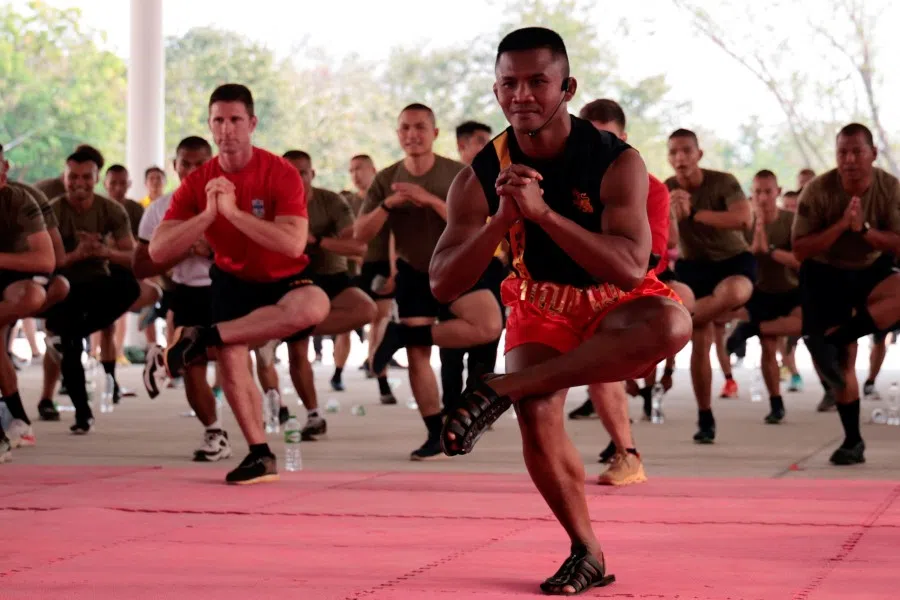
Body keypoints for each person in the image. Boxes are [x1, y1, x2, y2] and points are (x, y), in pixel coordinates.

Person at [429, 28, 691, 594]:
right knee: (539, 411)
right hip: (539, 299)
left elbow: (627, 267)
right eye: (509, 84)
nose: (521, 94)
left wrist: (544, 216)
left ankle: (503, 386)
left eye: (537, 82)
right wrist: (503, 219)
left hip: (615, 300)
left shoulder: (617, 161)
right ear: (497, 91)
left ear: (567, 87)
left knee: (674, 322)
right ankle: (586, 551)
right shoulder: (479, 173)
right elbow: (443, 281)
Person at [146, 84, 329, 484]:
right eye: (218, 120)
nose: (226, 129)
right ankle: (259, 453)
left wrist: (233, 213)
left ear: (252, 123)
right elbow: (158, 251)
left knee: (315, 306)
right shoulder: (199, 183)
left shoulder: (278, 171)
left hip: (285, 277)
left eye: (235, 120)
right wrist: (209, 215)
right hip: (232, 277)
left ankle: (202, 335)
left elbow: (292, 241)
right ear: (210, 125)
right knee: (231, 358)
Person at [355, 104, 503, 460]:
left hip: (456, 265)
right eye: (405, 128)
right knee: (418, 355)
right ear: (397, 134)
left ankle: (399, 336)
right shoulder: (384, 179)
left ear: (435, 133)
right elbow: (362, 234)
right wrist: (389, 205)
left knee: (488, 325)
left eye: (420, 127)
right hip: (413, 272)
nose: (412, 134)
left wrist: (429, 200)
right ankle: (434, 432)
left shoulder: (459, 173)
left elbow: (480, 223)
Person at [574, 98, 697, 485]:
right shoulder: (560, 180)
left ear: (624, 140)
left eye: (606, 139)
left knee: (602, 357)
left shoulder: (653, 189)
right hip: (565, 288)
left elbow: (650, 258)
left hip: (626, 290)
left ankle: (627, 453)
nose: (596, 149)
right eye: (587, 139)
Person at [792, 123, 900, 465]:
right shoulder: (817, 190)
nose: (849, 159)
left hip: (871, 268)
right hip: (825, 271)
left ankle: (840, 335)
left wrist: (865, 231)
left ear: (873, 154)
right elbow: (800, 250)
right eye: (842, 152)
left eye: (857, 152)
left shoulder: (890, 188)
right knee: (842, 363)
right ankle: (853, 441)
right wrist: (841, 226)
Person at [136, 136, 232, 462]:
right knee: (194, 366)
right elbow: (141, 264)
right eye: (185, 164)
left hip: (226, 289)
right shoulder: (159, 210)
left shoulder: (232, 202)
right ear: (174, 165)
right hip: (185, 292)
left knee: (232, 360)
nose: (191, 171)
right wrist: (175, 250)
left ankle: (164, 360)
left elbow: (251, 256)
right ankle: (215, 432)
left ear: (213, 164)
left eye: (200, 164)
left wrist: (212, 252)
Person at [275, 150, 376, 439]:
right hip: (290, 278)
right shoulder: (270, 204)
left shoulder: (330, 201)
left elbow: (357, 247)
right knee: (298, 351)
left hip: (331, 275)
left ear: (312, 174)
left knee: (366, 310)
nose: (297, 179)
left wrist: (316, 241)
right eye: (289, 173)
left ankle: (287, 327)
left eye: (302, 172)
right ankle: (314, 415)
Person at [41, 150, 141, 433]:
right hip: (65, 284)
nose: (79, 183)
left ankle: (70, 334)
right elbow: (48, 260)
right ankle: (82, 415)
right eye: (73, 177)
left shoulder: (112, 210)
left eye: (86, 177)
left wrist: (102, 251)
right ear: (65, 177)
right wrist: (78, 253)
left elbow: (131, 256)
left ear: (97, 179)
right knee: (71, 345)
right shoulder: (53, 210)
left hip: (99, 282)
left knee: (131, 285)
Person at [666, 129, 755, 443]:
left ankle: (677, 326)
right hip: (693, 267)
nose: (680, 158)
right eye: (674, 152)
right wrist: (673, 217)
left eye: (687, 151)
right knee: (700, 341)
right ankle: (705, 417)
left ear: (699, 154)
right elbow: (668, 240)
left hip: (734, 261)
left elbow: (744, 218)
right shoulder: (667, 189)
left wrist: (695, 214)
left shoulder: (723, 181)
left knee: (734, 293)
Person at [440, 120, 508, 418]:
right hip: (457, 264)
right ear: (461, 145)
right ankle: (452, 407)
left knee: (489, 338)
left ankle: (477, 406)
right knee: (453, 344)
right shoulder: (452, 181)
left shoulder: (495, 178)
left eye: (488, 140)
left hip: (491, 265)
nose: (486, 147)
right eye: (479, 141)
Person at [725, 171, 802, 424]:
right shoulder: (745, 223)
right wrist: (754, 250)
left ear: (778, 192)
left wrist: (768, 250)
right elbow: (740, 261)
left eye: (768, 191)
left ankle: (750, 328)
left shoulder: (792, 221)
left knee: (809, 325)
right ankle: (776, 403)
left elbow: (801, 261)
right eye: (758, 192)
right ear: (751, 194)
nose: (763, 197)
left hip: (792, 290)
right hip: (762, 292)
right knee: (768, 348)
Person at [0, 143, 56, 449]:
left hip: (15, 276)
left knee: (33, 296)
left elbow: (46, 261)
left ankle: (17, 419)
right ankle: (19, 418)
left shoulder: (20, 200)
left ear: (4, 171)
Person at [344, 155, 400, 404]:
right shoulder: (349, 203)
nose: (356, 174)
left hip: (382, 266)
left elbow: (393, 237)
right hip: (360, 268)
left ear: (373, 170)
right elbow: (348, 235)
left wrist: (393, 271)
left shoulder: (385, 199)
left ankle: (381, 376)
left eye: (360, 169)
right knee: (364, 323)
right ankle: (348, 371)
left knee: (381, 321)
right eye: (352, 170)